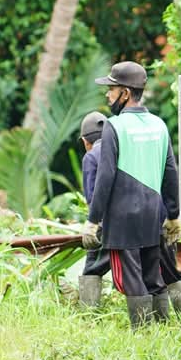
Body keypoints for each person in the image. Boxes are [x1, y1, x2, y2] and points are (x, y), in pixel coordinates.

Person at [85, 62, 181, 328]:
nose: (107, 95)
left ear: (125, 93)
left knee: (131, 278)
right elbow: (170, 173)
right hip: (152, 213)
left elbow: (105, 178)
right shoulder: (159, 125)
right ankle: (163, 329)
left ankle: (142, 335)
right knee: (154, 276)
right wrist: (173, 216)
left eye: (111, 89)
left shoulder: (114, 126)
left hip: (123, 217)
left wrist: (93, 221)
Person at [78, 111, 110, 305]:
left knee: (93, 266)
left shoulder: (91, 157)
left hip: (109, 222)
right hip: (141, 217)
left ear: (85, 141)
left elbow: (92, 197)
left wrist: (92, 224)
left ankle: (89, 312)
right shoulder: (122, 149)